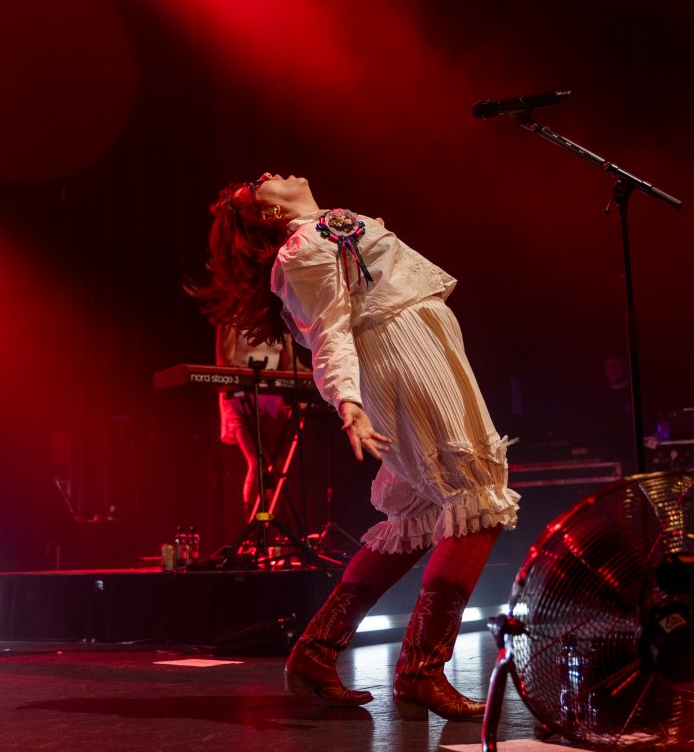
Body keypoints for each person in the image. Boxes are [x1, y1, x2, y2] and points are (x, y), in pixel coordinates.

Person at [191, 173, 519, 720]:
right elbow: (330, 329)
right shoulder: (302, 248)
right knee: (476, 500)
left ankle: (316, 652)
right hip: (400, 357)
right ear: (270, 215)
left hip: (416, 346)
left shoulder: (324, 230)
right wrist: (348, 401)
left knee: (420, 512)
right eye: (257, 185)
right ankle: (421, 671)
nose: (269, 175)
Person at [215, 323, 294, 519]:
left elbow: (291, 366)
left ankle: (271, 523)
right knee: (257, 461)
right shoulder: (232, 320)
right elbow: (226, 362)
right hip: (240, 395)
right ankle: (254, 523)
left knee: (277, 464)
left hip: (271, 398)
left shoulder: (278, 322)